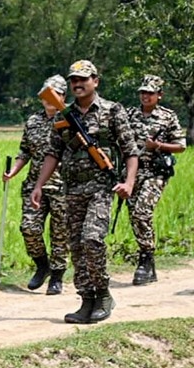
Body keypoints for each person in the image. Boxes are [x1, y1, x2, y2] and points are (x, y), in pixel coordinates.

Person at [30, 60, 141, 324]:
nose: (78, 84)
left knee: (92, 239)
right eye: (73, 80)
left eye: (83, 79)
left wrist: (129, 183)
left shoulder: (112, 111)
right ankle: (86, 299)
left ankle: (103, 294)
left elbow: (131, 151)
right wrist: (38, 185)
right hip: (72, 188)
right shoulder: (62, 115)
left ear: (95, 81)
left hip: (102, 186)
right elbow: (53, 153)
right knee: (77, 247)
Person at [8, 75, 69, 294]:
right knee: (29, 227)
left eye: (54, 94)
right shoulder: (33, 121)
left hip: (63, 185)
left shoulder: (70, 119)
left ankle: (58, 275)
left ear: (63, 96)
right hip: (35, 185)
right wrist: (13, 171)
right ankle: (42, 266)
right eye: (45, 95)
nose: (49, 99)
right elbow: (25, 150)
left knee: (60, 233)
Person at [126, 74, 184, 285]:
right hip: (133, 174)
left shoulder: (168, 116)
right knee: (135, 216)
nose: (145, 96)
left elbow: (181, 145)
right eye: (143, 92)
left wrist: (157, 146)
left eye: (150, 93)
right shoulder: (129, 114)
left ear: (159, 95)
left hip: (155, 173)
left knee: (142, 212)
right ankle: (148, 258)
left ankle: (145, 259)